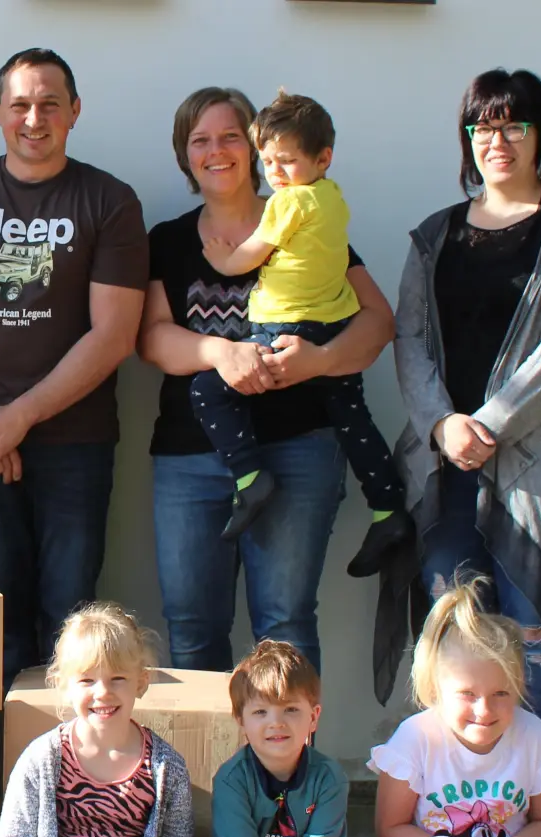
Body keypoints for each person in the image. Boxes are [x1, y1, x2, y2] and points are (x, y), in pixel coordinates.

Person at [390, 69, 541, 745]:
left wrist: (487, 424)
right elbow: (412, 339)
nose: (498, 140)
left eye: (514, 124)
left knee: (537, 642)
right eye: (483, 126)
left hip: (536, 476)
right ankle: (456, 814)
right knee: (454, 639)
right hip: (446, 467)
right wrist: (442, 423)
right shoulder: (436, 236)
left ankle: (539, 822)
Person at [138, 87, 395, 673]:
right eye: (199, 140)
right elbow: (151, 337)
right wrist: (219, 353)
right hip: (190, 457)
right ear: (185, 155)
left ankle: (285, 766)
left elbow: (379, 322)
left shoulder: (305, 217)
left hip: (298, 448)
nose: (216, 151)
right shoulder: (170, 240)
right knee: (192, 626)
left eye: (230, 136)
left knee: (283, 623)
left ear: (255, 146)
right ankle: (203, 768)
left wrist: (321, 361)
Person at [0, 48, 147, 686]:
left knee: (71, 618)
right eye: (20, 104)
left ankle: (68, 769)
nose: (34, 118)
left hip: (76, 442)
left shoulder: (110, 201)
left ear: (75, 111)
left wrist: (15, 418)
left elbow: (115, 333)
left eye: (50, 103)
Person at [189, 90, 409, 577]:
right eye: (269, 161)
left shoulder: (288, 203)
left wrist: (221, 258)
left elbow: (250, 256)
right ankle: (388, 507)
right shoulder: (331, 199)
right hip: (332, 319)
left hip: (287, 324)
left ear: (323, 158)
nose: (276, 173)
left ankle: (249, 476)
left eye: (285, 161)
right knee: (352, 415)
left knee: (207, 391)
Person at [368, 579, 541, 837]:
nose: (484, 709)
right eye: (467, 694)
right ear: (436, 689)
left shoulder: (532, 736)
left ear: (517, 688)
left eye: (501, 693)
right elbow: (390, 829)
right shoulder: (415, 738)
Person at [0, 603, 195, 837]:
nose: (102, 692)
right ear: (64, 685)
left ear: (140, 683)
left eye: (118, 678)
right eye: (87, 680)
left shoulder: (166, 767)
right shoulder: (41, 759)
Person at [183, 640, 367, 837]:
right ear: (240, 720)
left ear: (313, 717)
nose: (276, 723)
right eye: (260, 712)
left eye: (290, 709)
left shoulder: (330, 779)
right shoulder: (231, 780)